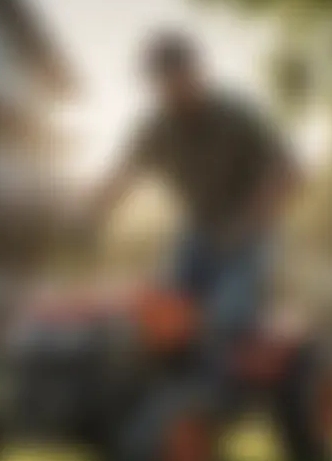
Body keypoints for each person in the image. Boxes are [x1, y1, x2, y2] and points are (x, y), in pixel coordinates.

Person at [83, 29, 299, 342]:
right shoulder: (156, 128)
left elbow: (287, 170)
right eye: (159, 80)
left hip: (249, 234)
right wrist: (88, 214)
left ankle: (223, 385)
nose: (169, 87)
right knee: (162, 315)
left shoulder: (236, 116)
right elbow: (121, 175)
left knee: (227, 317)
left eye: (176, 74)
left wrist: (252, 221)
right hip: (198, 232)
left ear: (196, 72)